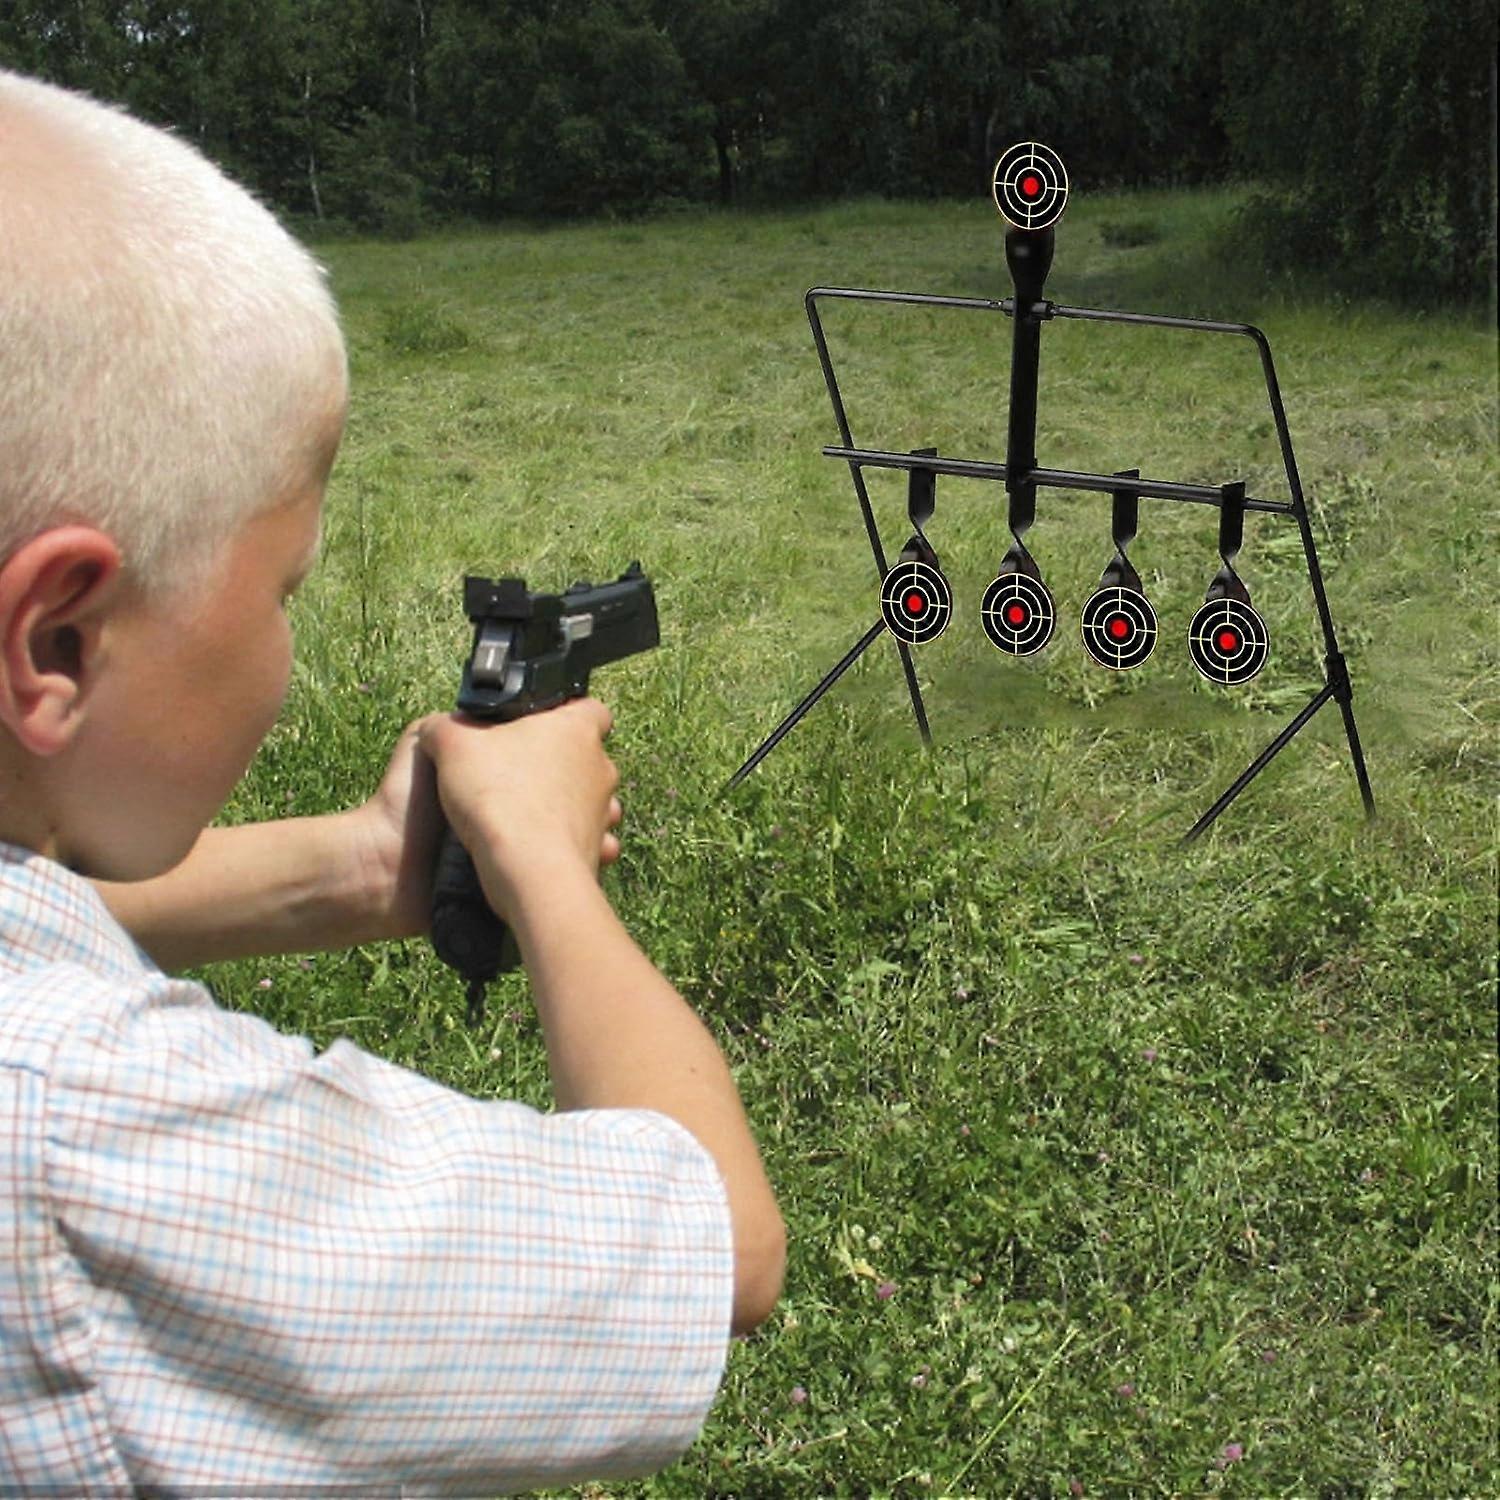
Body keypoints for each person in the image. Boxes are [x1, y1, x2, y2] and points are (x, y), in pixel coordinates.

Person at [0, 65, 784, 1492]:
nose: (285, 638)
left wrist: (369, 862)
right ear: (56, 639)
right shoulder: (86, 1152)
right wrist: (544, 868)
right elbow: (717, 1246)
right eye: (282, 587)